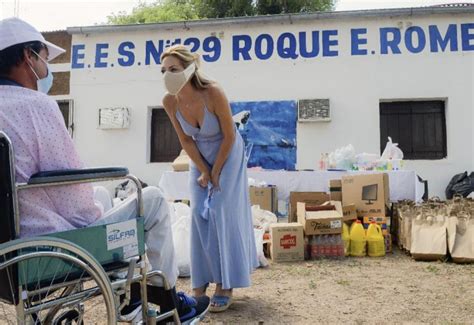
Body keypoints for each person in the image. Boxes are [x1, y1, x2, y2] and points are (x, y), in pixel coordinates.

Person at [0, 17, 209, 324]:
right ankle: (166, 304)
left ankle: (133, 301)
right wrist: (101, 223)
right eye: (44, 59)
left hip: (9, 250)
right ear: (26, 57)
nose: (47, 70)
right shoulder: (35, 106)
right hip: (47, 251)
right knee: (149, 199)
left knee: (101, 194)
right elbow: (74, 198)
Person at [161, 45, 258, 313]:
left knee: (219, 210)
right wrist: (204, 169)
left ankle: (225, 283)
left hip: (228, 152)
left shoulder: (213, 92)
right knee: (198, 216)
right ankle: (200, 282)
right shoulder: (169, 101)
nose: (168, 75)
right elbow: (185, 139)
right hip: (199, 156)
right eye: (164, 70)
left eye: (174, 69)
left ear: (190, 68)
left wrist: (216, 172)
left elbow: (229, 135)